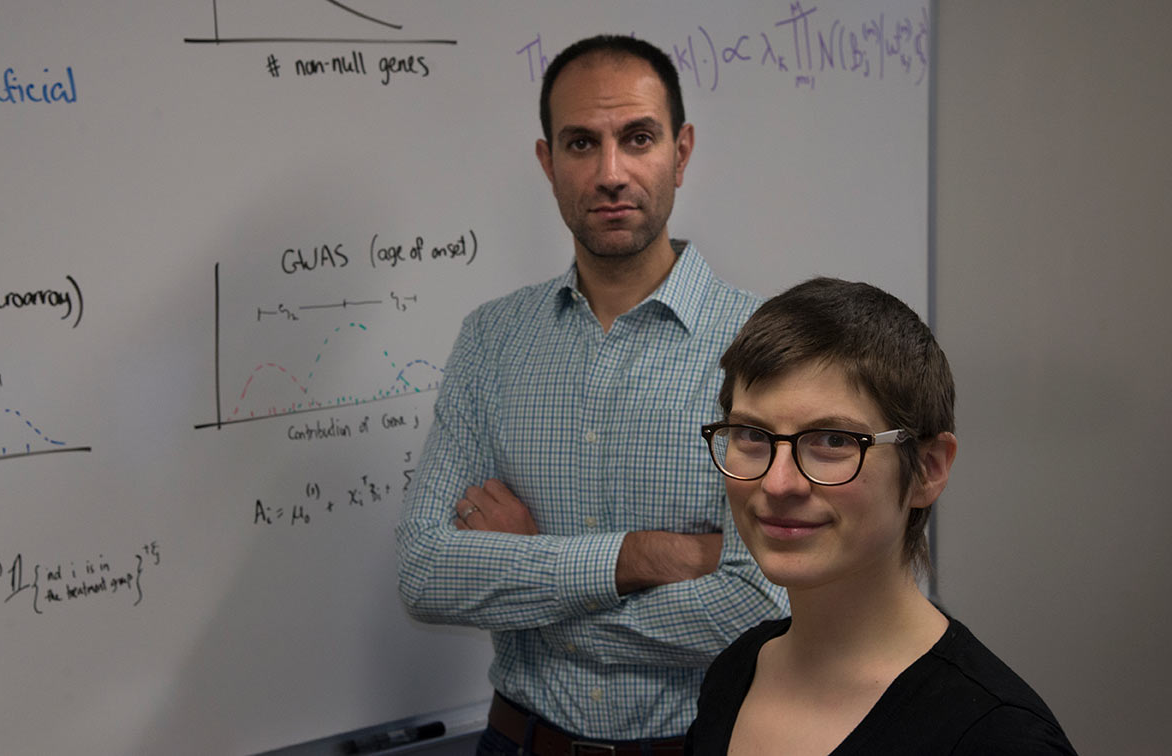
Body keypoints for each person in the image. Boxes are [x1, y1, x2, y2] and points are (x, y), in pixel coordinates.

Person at [394, 34, 787, 754]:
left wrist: (532, 575)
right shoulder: (491, 339)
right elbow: (425, 571)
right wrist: (642, 555)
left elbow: (760, 604)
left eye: (637, 138)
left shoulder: (766, 347)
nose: (611, 172)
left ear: (681, 150)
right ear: (547, 162)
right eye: (581, 144)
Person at [686, 277, 1076, 754]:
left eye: (832, 441)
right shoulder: (735, 672)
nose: (778, 483)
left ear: (928, 470)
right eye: (751, 434)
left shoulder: (998, 737)